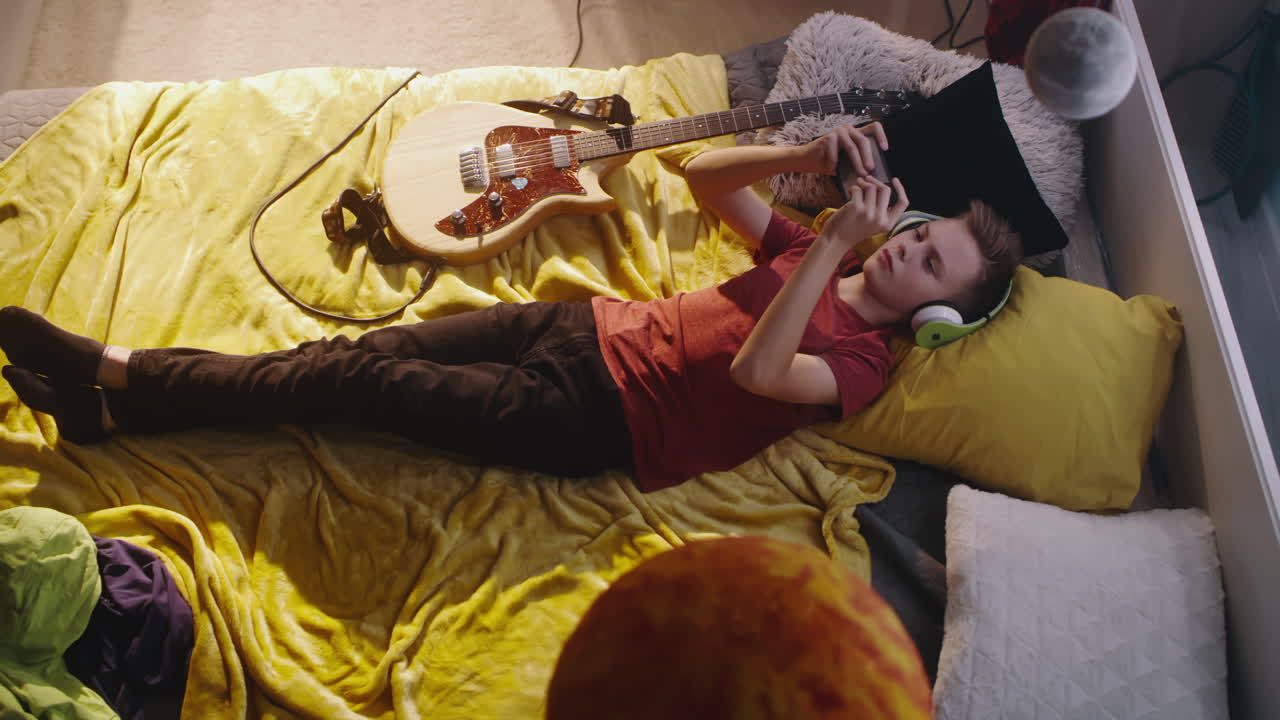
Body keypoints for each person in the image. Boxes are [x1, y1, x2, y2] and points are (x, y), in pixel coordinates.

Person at [0, 122, 1023, 492]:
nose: (911, 252)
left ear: (940, 316)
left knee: (351, 380)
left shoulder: (863, 365)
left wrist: (835, 246)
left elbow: (760, 372)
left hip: (594, 423)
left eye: (932, 267)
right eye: (922, 236)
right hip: (578, 328)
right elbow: (707, 178)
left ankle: (113, 368)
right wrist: (802, 159)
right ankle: (111, 407)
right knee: (350, 353)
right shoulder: (809, 246)